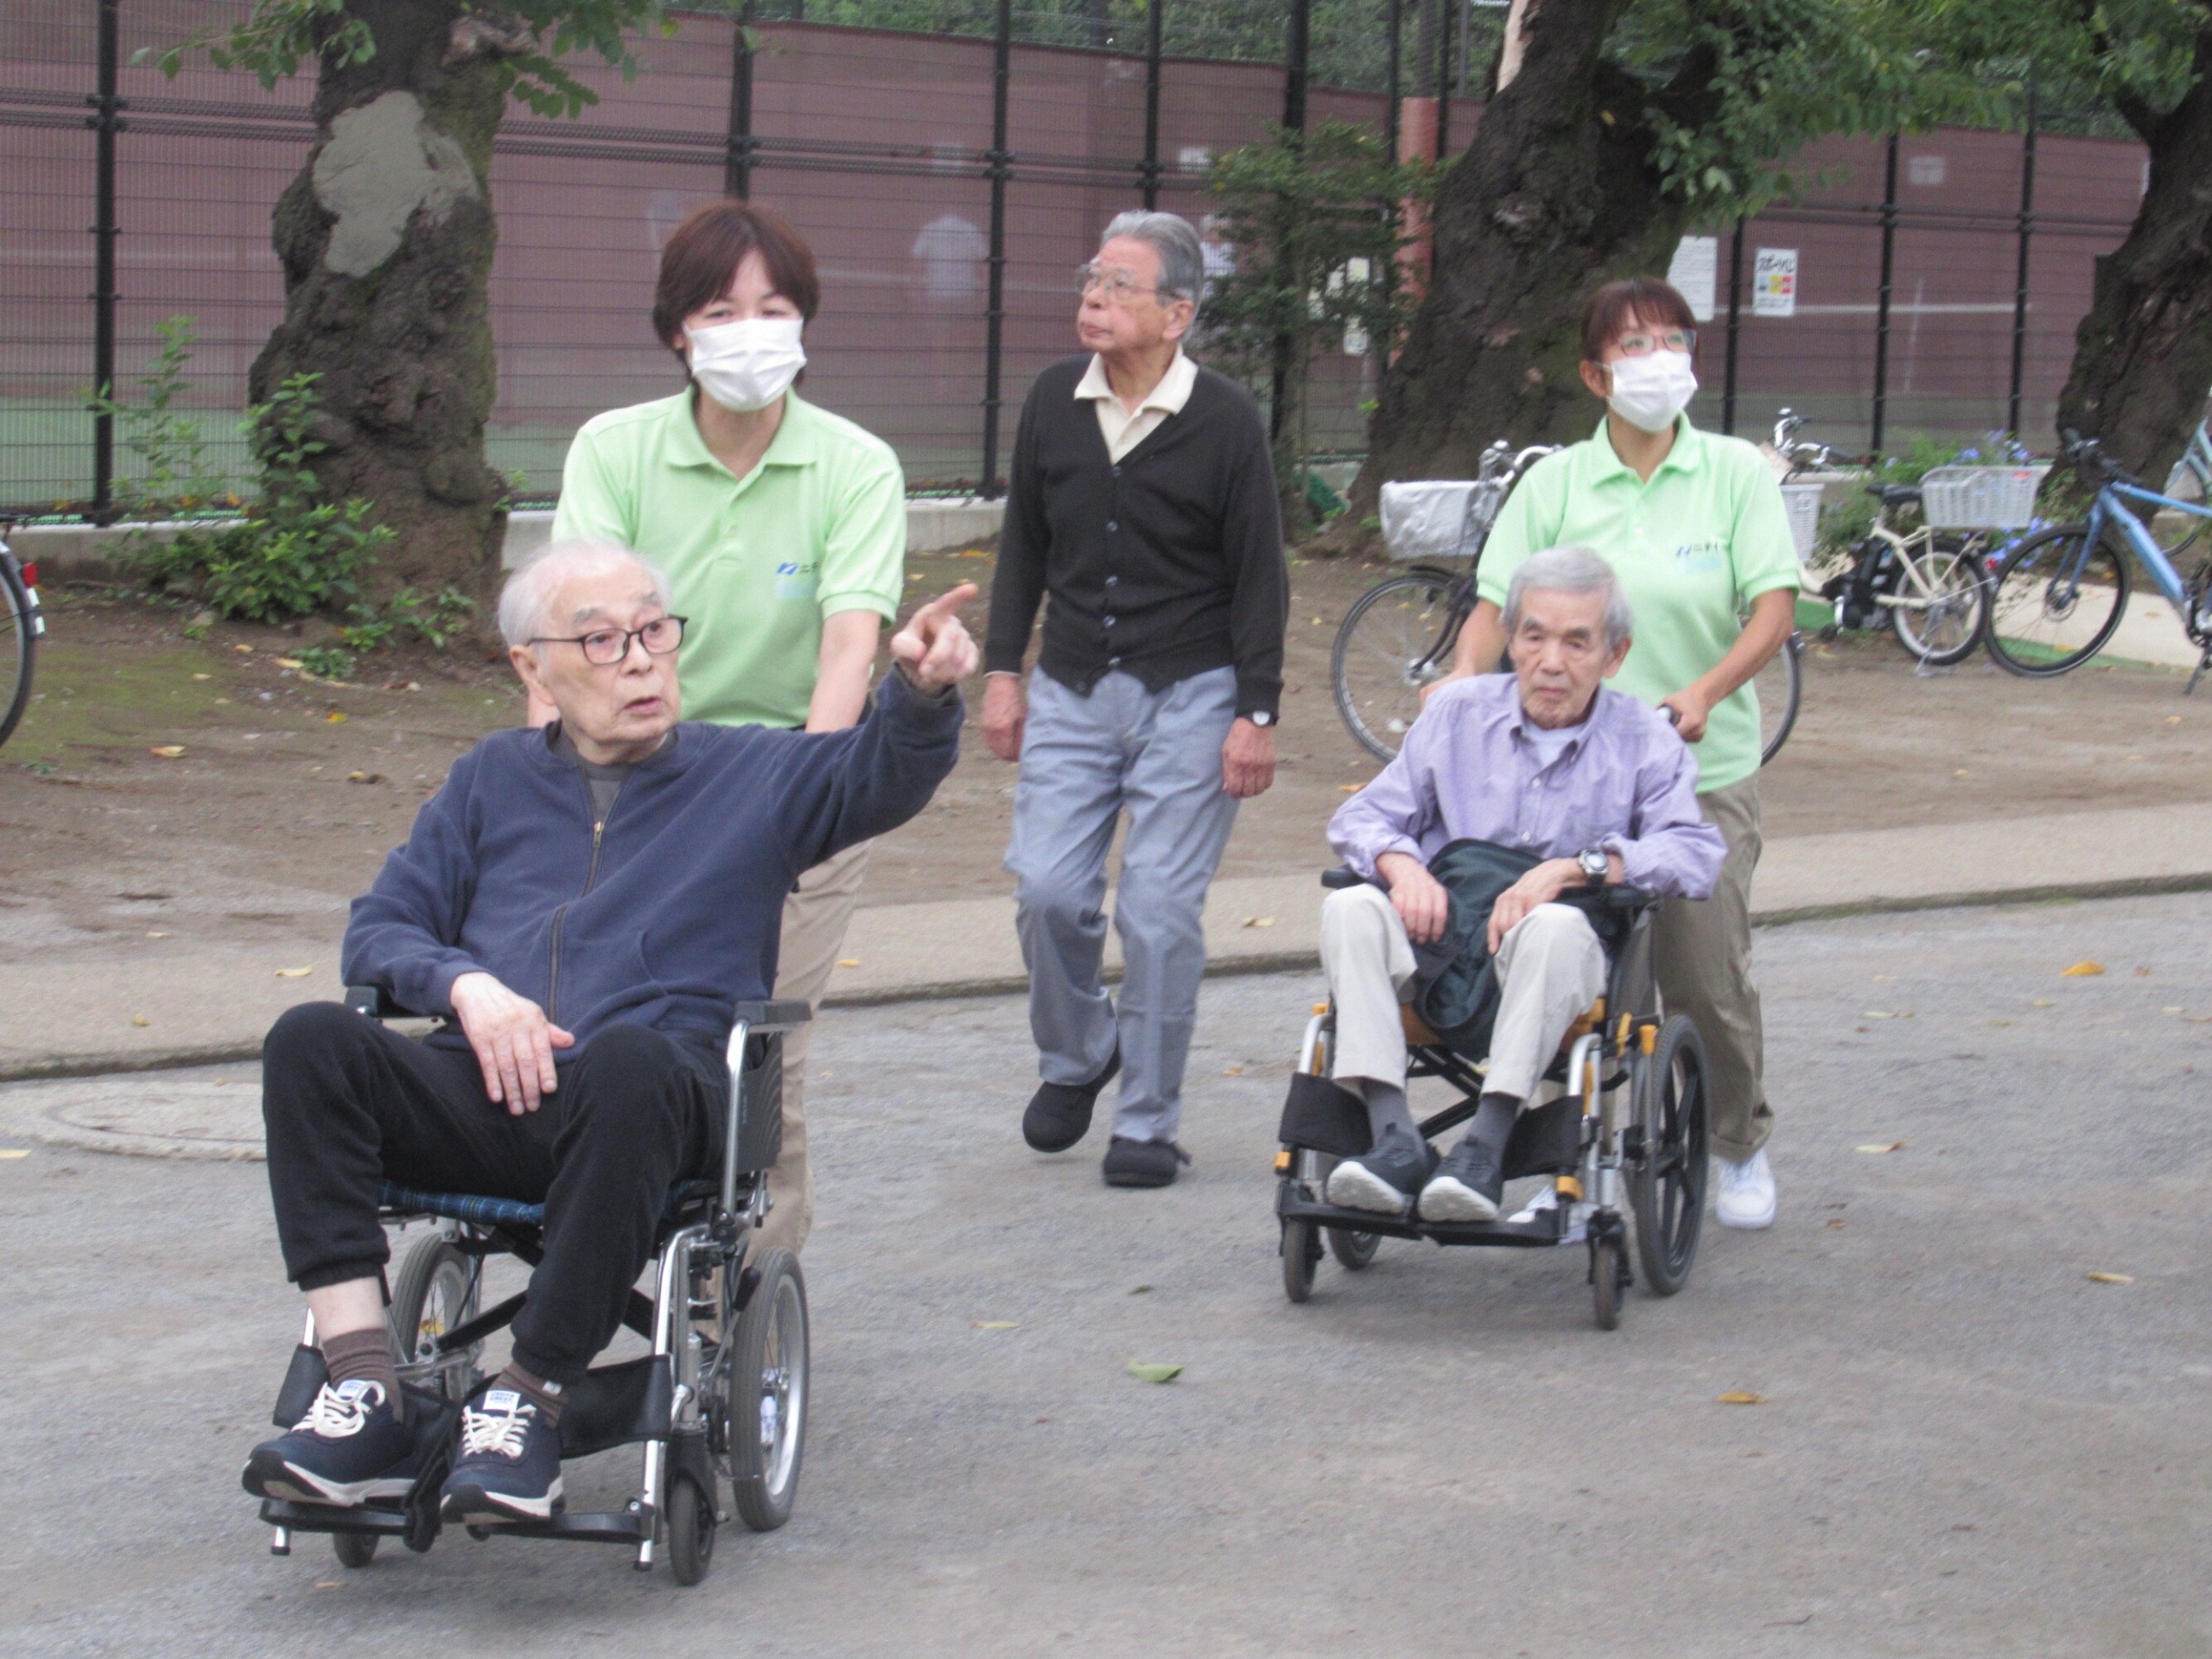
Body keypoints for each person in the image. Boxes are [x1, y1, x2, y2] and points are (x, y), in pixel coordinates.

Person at [243, 541, 977, 1525]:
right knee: (310, 1040)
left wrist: (919, 695)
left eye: (652, 631)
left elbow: (877, 773)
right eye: (600, 640)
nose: (639, 660)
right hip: (493, 1091)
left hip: (653, 1104)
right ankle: (362, 1384)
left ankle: (529, 1398)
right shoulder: (488, 779)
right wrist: (468, 988)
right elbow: (379, 929)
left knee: (631, 1058)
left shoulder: (751, 774)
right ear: (531, 666)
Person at [550, 201, 908, 1260]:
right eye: (720, 309)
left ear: (803, 325)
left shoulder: (854, 465)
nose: (749, 331)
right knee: (598, 1027)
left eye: (773, 307)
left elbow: (850, 647)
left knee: (762, 1056)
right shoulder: (613, 451)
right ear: (678, 331)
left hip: (785, 783)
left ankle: (747, 1296)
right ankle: (598, 1246)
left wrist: (807, 799)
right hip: (631, 772)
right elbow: (573, 632)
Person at [1431, 277, 1798, 1230]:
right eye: (1634, 345)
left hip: (1692, 772)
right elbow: (1490, 606)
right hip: (1554, 773)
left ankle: (1736, 1139)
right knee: (1548, 962)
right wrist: (1459, 686)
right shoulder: (1553, 484)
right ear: (1595, 374)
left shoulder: (1733, 474)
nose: (1658, 359)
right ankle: (1546, 1145)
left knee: (1705, 978)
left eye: (1672, 339)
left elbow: (1773, 607)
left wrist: (1705, 693)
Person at [982, 208, 1288, 1189]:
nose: (1095, 299)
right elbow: (1023, 544)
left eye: (1119, 285)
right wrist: (999, 672)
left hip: (1193, 691)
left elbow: (1258, 576)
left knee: (1156, 908)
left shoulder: (1228, 421)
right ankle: (1079, 1055)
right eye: (1091, 280)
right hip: (1071, 682)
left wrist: (1258, 710)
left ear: (1177, 313)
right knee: (1046, 889)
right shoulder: (1050, 402)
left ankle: (1148, 1122)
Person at [1323, 548, 1724, 1219]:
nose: (1551, 661)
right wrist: (1403, 867)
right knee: (1351, 907)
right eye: (1534, 636)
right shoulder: (1456, 717)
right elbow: (1362, 815)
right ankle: (1395, 1137)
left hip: (1558, 964)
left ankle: (1486, 1143)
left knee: (1557, 923)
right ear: (1510, 640)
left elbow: (1695, 854)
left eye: (1577, 642)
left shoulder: (1645, 742)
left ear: (1615, 655)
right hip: (1445, 946)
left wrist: (1579, 868)